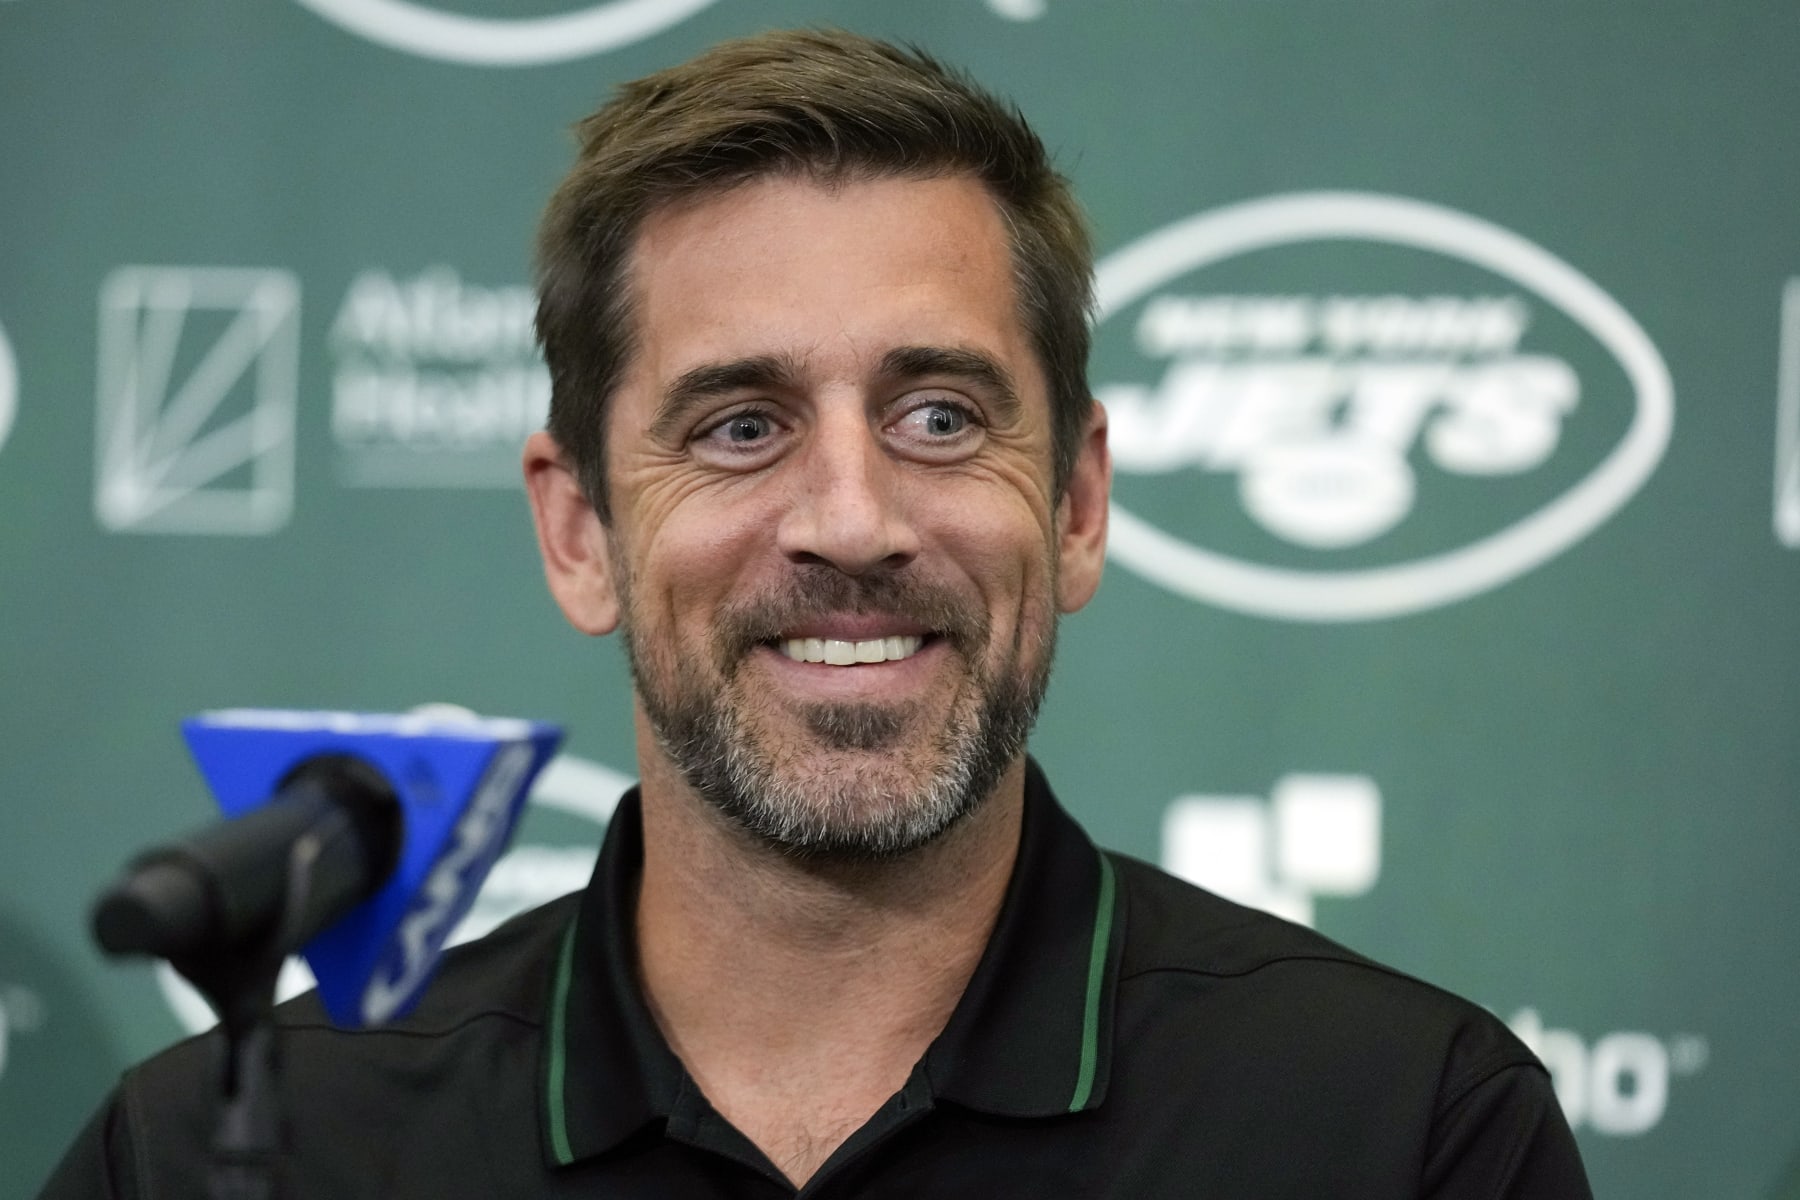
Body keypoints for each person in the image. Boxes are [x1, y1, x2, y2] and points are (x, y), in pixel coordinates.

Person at [42, 29, 1591, 1198]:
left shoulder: (1401, 1130)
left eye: (935, 416)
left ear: (1077, 504)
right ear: (579, 528)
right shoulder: (231, 1155)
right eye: (738, 426)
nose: (852, 520)